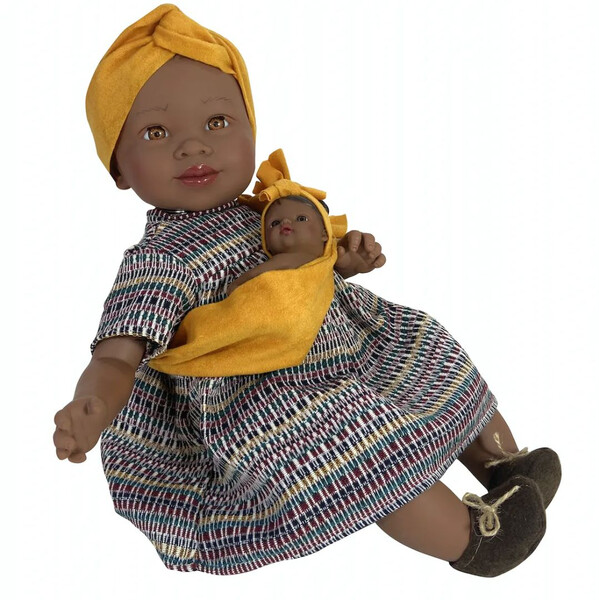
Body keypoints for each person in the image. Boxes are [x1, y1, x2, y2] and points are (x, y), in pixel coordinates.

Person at [53, 4, 560, 577]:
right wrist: (95, 404)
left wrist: (343, 262)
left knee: (425, 352)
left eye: (217, 123)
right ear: (118, 168)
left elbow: (299, 268)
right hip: (263, 394)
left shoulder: (265, 210)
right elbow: (118, 352)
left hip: (344, 340)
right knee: (353, 444)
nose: (193, 147)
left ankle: (501, 466)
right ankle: (475, 539)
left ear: (250, 129)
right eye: (156, 133)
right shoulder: (161, 260)